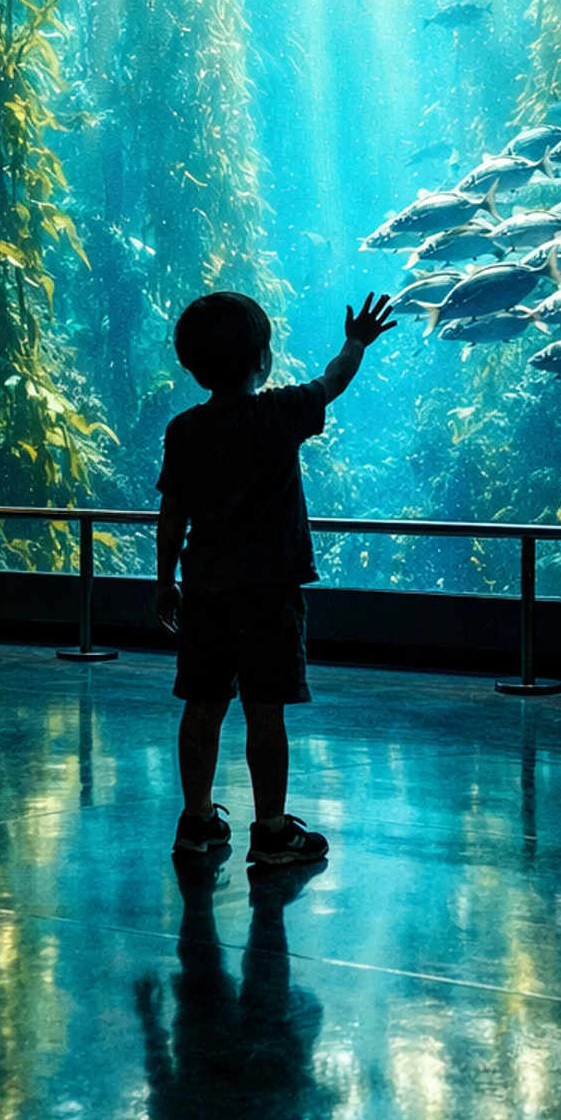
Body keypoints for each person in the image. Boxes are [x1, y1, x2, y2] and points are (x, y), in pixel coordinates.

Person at [156, 289, 396, 867]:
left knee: (202, 704)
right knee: (266, 710)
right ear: (261, 357)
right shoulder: (278, 413)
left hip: (206, 592)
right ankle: (271, 831)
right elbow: (334, 380)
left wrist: (165, 582)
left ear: (192, 366)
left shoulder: (184, 431)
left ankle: (197, 821)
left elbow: (172, 515)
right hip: (270, 593)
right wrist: (356, 341)